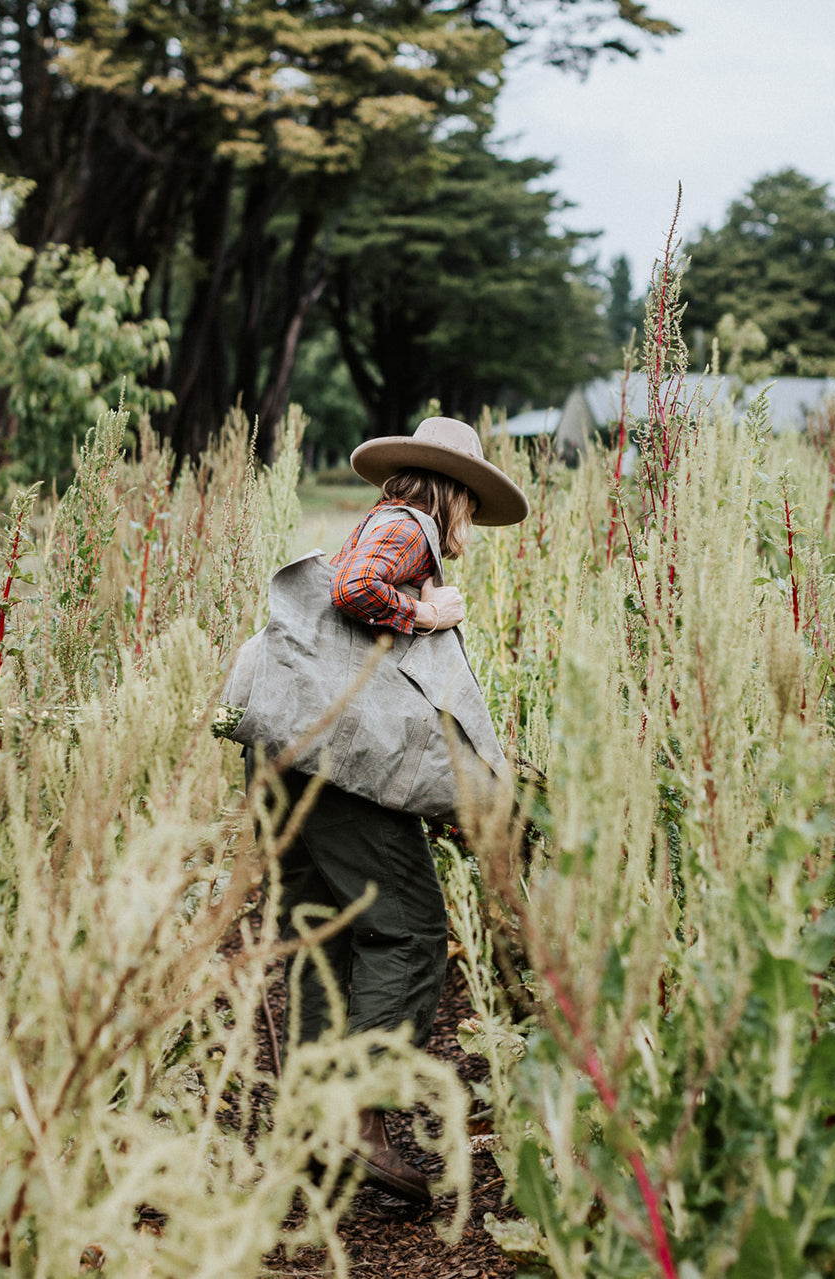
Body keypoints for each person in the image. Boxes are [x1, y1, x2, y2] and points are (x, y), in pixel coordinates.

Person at [262, 416, 528, 1203]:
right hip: (339, 765)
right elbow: (353, 592)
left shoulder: (375, 523)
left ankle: (309, 1136)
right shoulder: (408, 526)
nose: (471, 523)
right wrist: (427, 613)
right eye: (472, 506)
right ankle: (356, 1119)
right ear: (456, 495)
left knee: (325, 939)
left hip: (289, 753)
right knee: (408, 928)